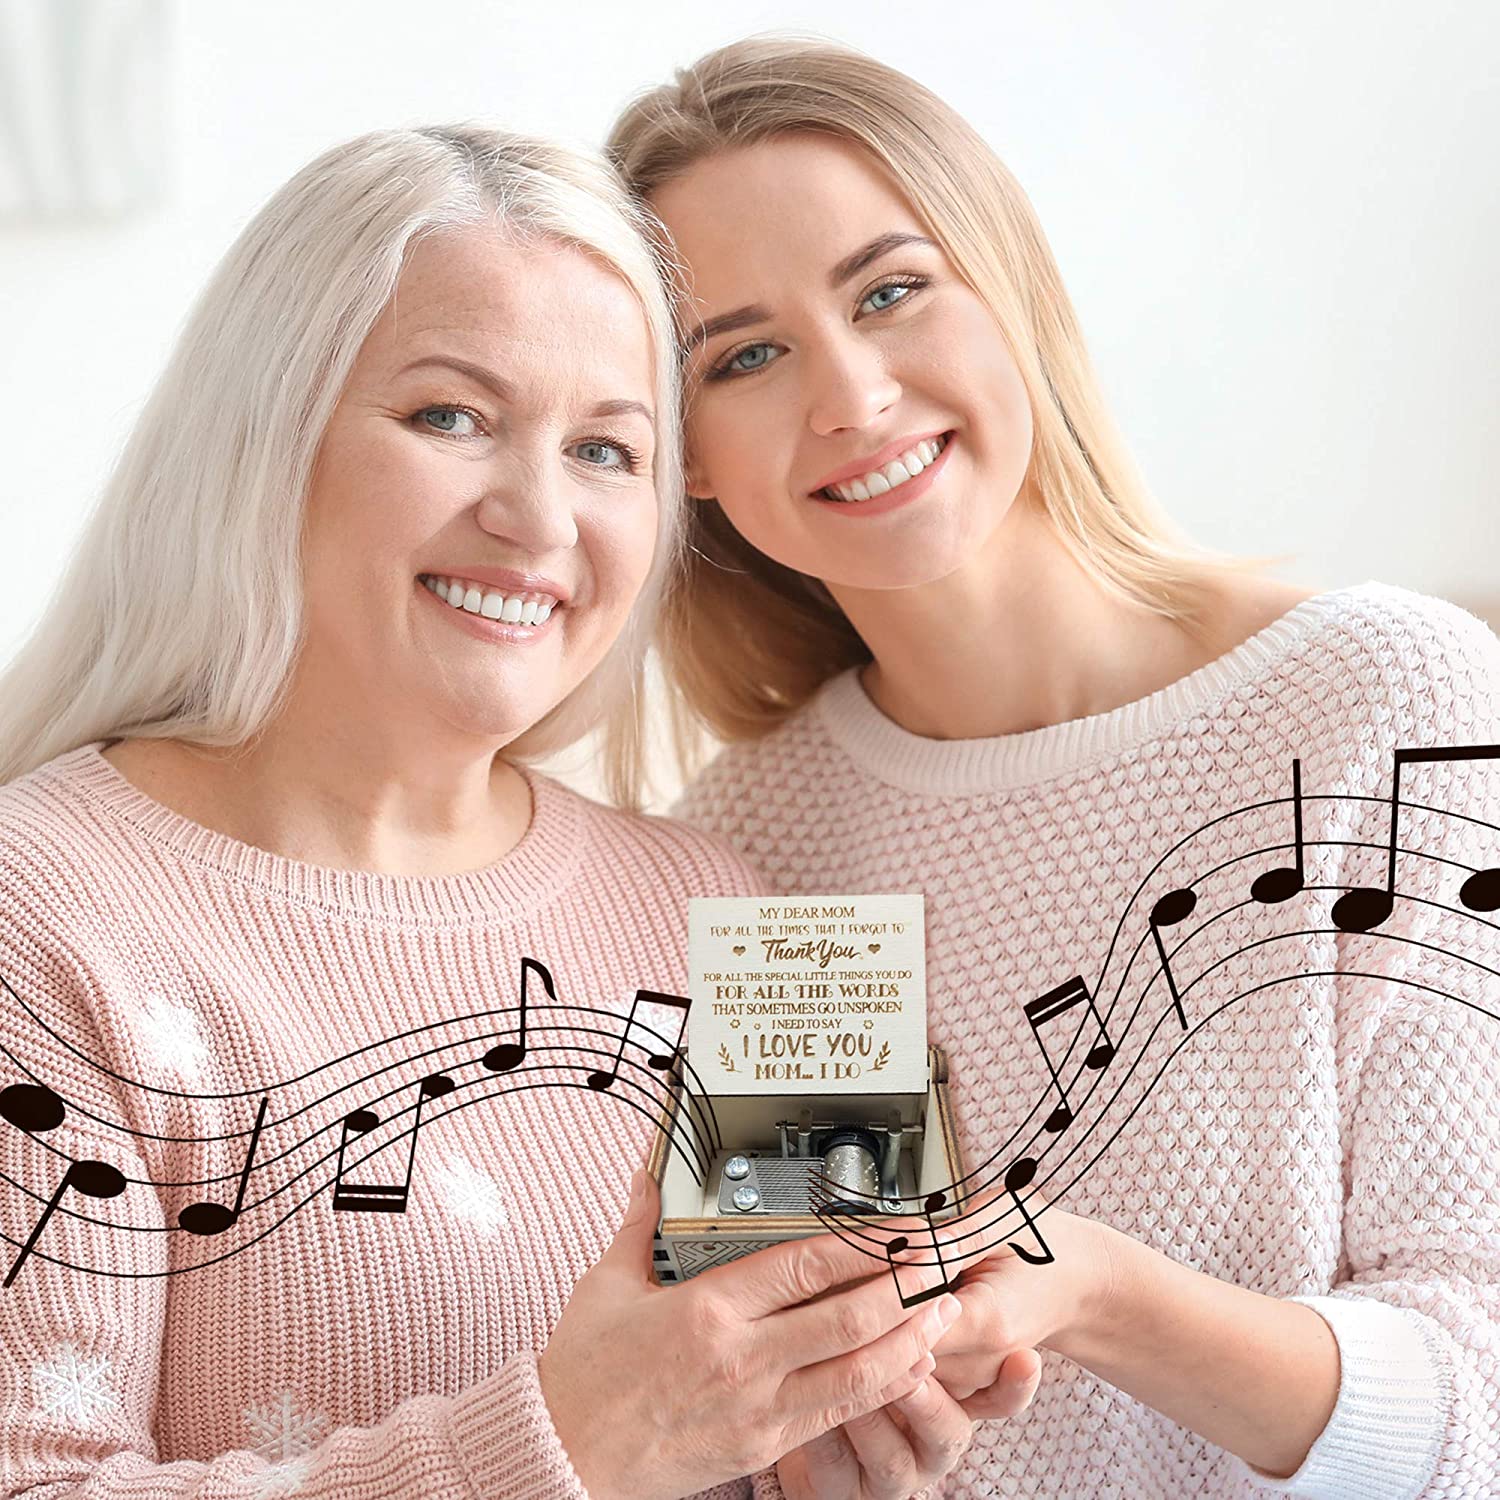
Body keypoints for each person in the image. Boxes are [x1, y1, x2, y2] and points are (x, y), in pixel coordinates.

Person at [0, 123, 996, 1500]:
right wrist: (567, 1445)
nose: (539, 517)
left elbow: (839, 1423)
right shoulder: (37, 914)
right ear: (265, 435)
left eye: (606, 449)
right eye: (451, 417)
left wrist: (860, 1431)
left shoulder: (741, 917)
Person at [605, 35, 1500, 1500]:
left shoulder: (1390, 700)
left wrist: (1096, 1294)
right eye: (745, 356)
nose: (850, 395)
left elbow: (1478, 1408)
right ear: (682, 449)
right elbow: (818, 1396)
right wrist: (823, 1440)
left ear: (1008, 287)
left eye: (890, 291)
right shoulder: (760, 841)